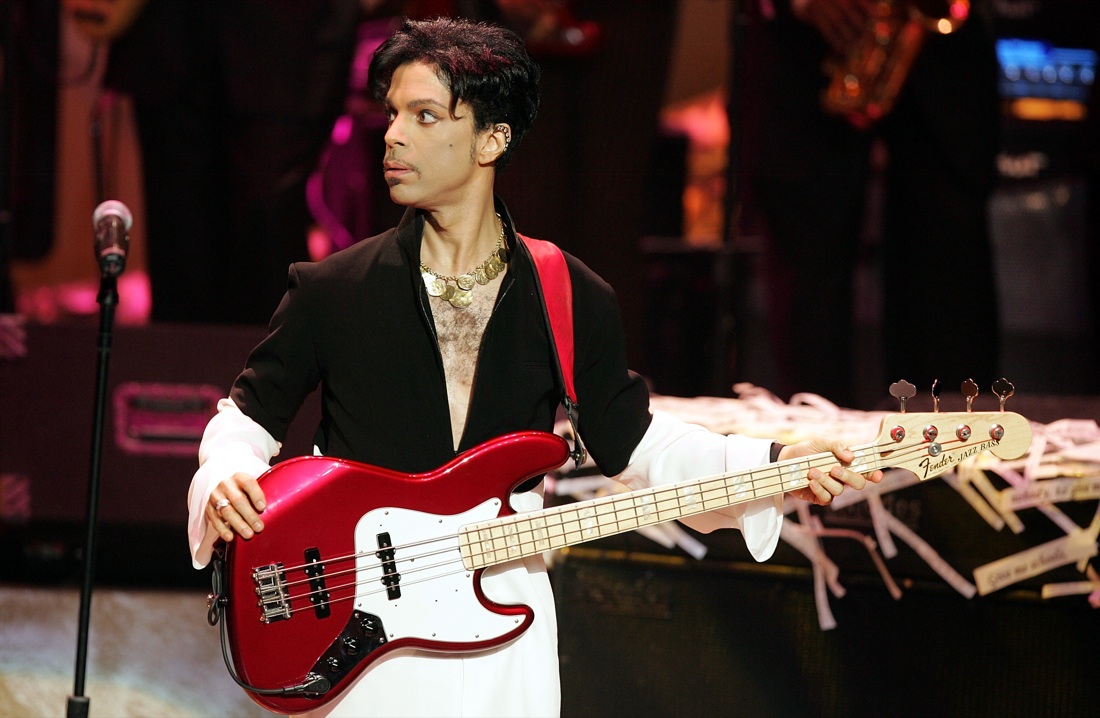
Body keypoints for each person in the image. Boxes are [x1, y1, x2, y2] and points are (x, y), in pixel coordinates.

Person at [187, 17, 882, 717]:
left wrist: (772, 463)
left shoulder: (569, 292)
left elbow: (635, 443)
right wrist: (225, 478)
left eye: (424, 116)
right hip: (363, 633)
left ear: (492, 140)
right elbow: (244, 421)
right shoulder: (332, 289)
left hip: (501, 625)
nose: (393, 135)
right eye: (393, 113)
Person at [739, 0, 1003, 408]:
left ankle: (953, 438)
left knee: (950, 281)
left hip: (944, 49)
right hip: (809, 46)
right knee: (810, 284)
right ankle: (811, 440)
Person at [64, 0, 361, 324]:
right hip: (171, 28)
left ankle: (269, 353)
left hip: (285, 32)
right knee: (179, 241)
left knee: (266, 230)